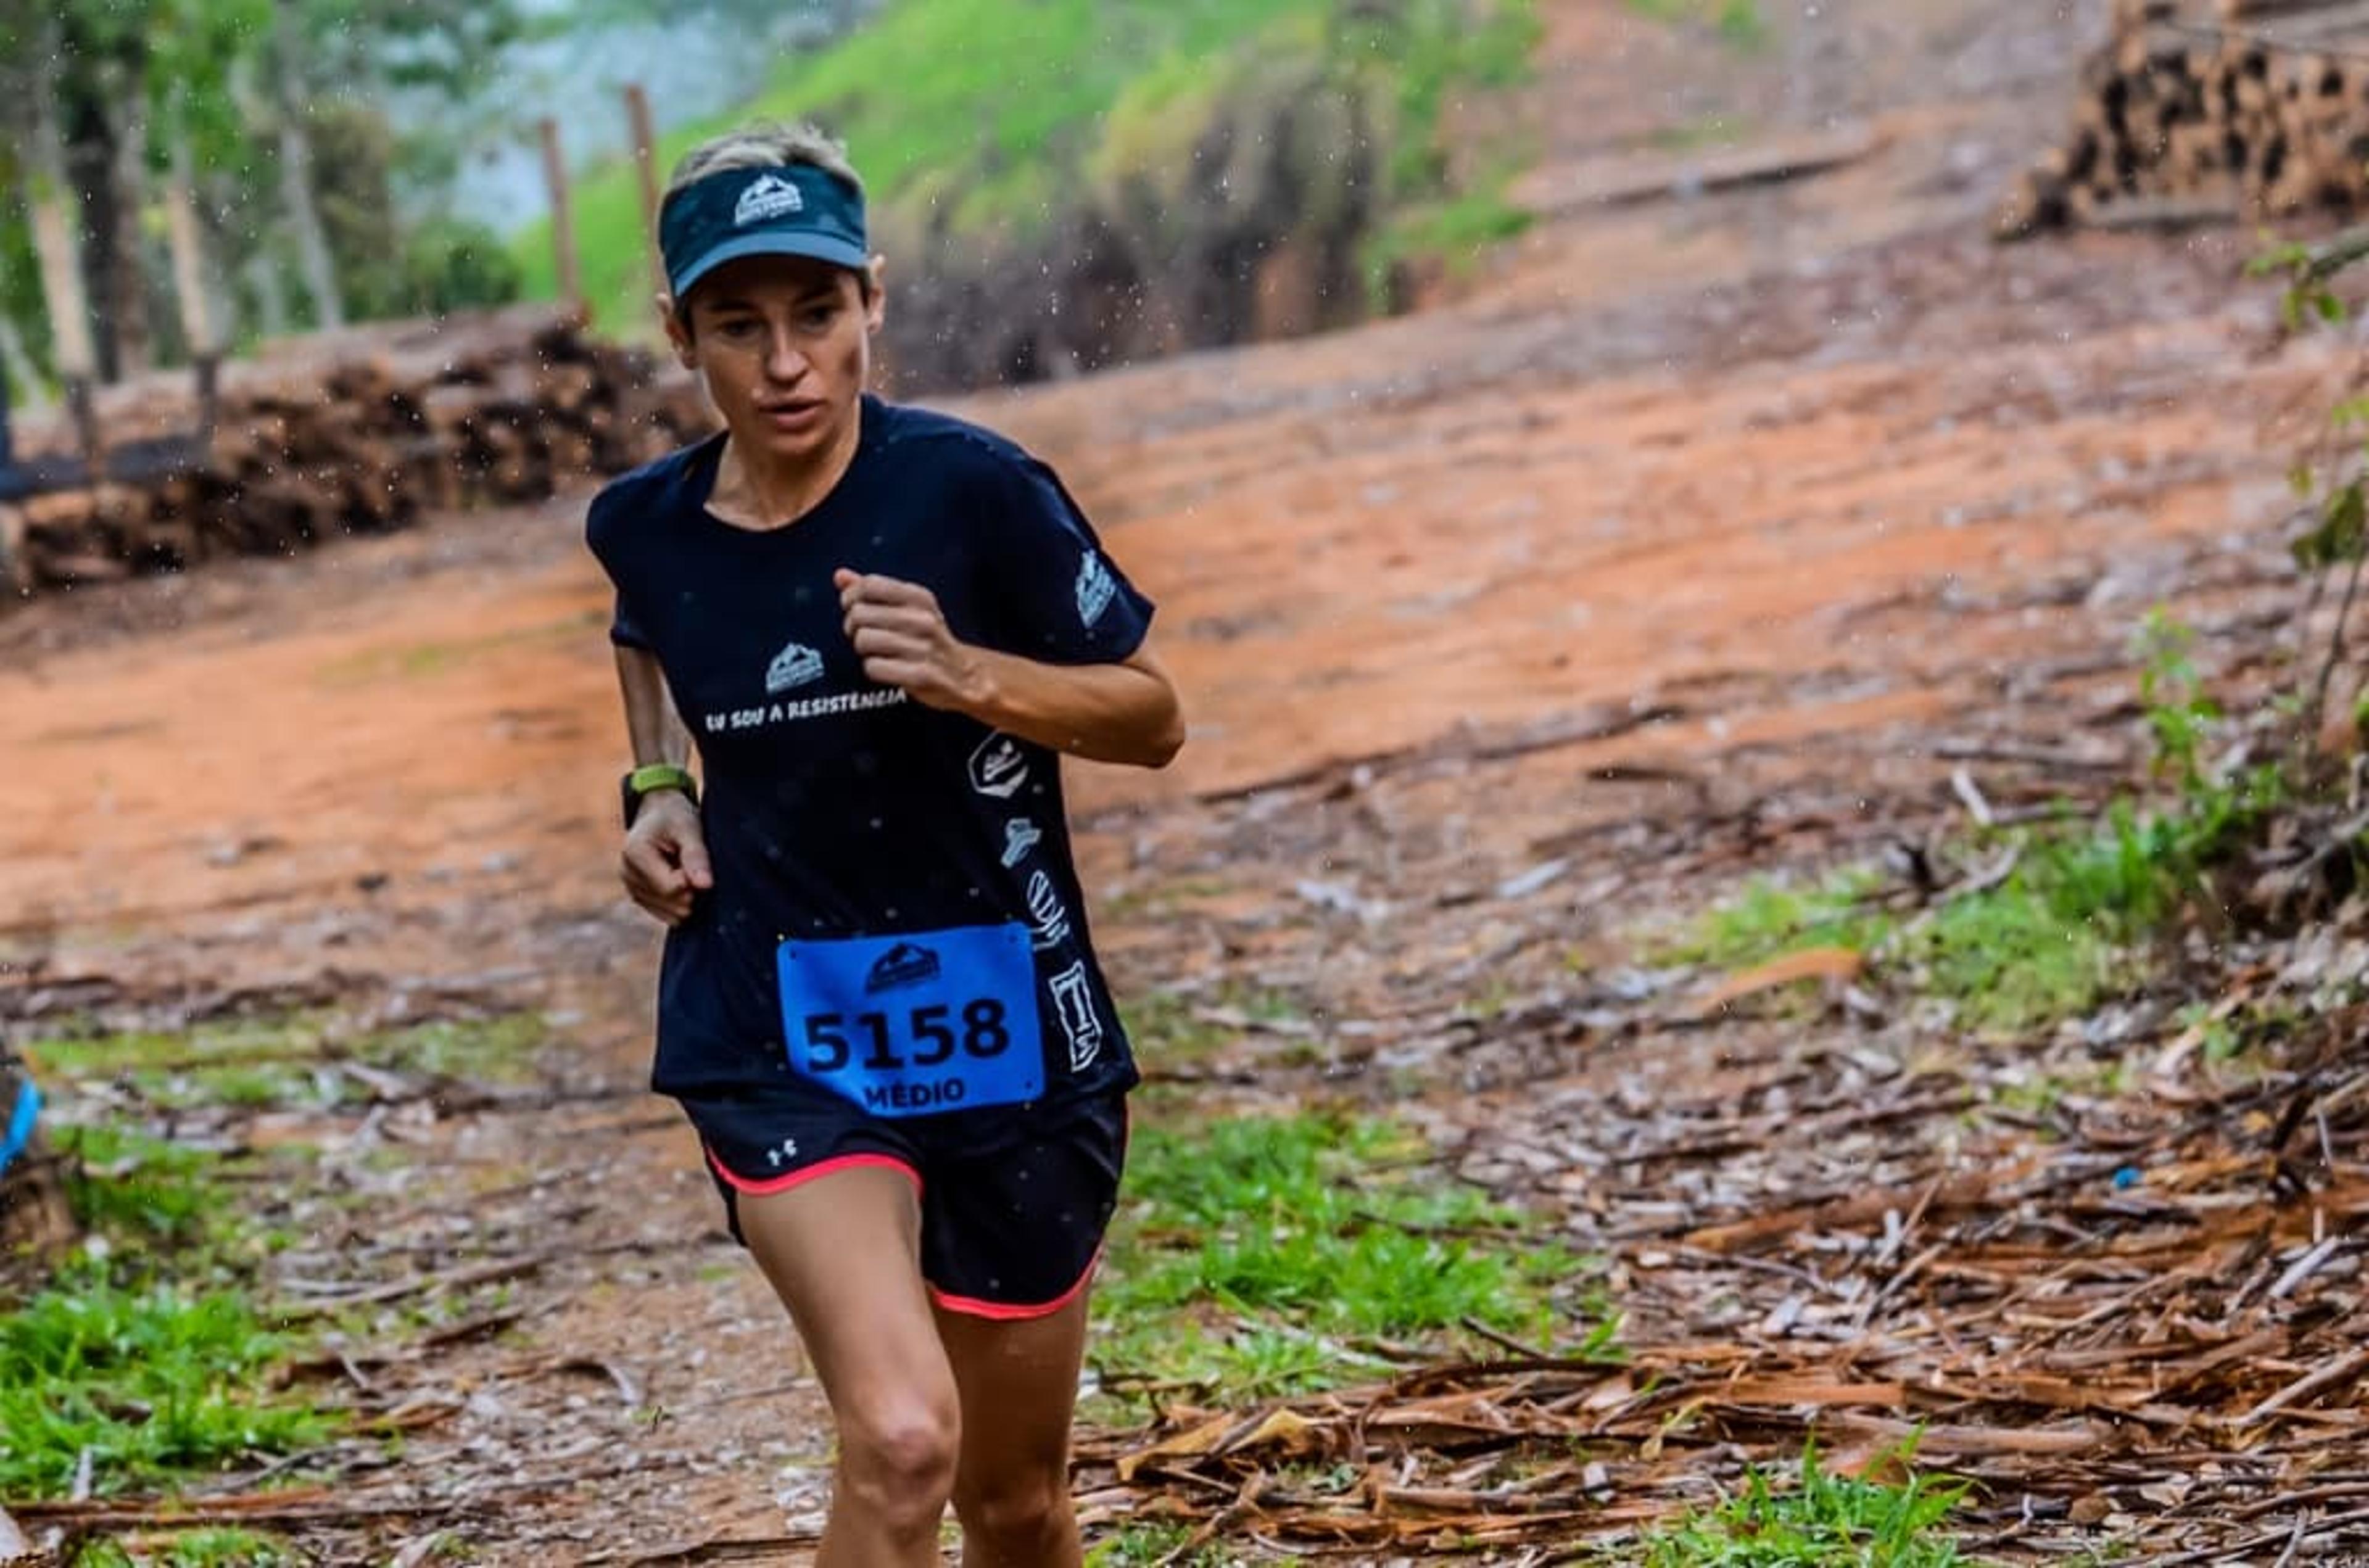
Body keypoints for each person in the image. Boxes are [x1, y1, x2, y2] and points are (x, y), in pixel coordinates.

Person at [585, 122, 1184, 1567]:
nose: (785, 362)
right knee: (906, 1436)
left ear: (872, 306)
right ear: (682, 336)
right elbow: (649, 640)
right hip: (782, 1026)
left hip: (1019, 1027)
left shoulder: (974, 491)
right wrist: (656, 787)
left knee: (1016, 1503)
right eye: (739, 325)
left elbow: (1151, 717)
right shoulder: (646, 527)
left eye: (817, 315)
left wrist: (970, 673)